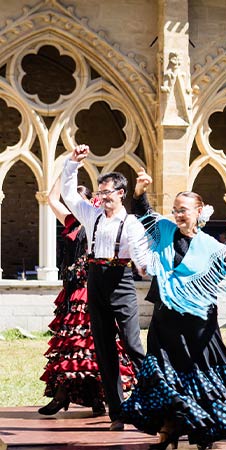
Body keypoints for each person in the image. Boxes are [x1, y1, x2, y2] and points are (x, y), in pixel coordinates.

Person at [121, 169, 226, 450]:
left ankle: (203, 430)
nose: (178, 215)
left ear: (198, 212)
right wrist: (139, 189)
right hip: (165, 321)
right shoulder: (164, 231)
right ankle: (167, 431)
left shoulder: (209, 246)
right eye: (175, 210)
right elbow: (142, 211)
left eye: (183, 211)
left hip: (198, 325)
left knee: (197, 375)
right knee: (163, 377)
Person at [61, 144, 147, 431]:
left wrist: (147, 268)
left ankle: (154, 397)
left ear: (121, 193)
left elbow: (141, 257)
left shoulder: (132, 223)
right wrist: (72, 164)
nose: (101, 198)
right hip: (96, 280)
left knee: (133, 345)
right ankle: (117, 413)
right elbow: (69, 196)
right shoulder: (92, 216)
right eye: (99, 193)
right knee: (105, 350)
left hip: (121, 282)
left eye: (106, 193)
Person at [39, 176, 134, 417]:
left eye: (84, 200)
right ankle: (64, 394)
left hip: (98, 285)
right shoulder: (72, 223)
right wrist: (64, 170)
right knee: (75, 345)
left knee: (99, 344)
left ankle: (102, 397)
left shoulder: (100, 221)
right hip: (77, 289)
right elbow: (52, 199)